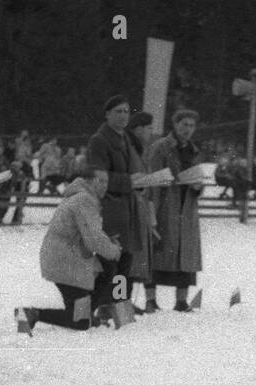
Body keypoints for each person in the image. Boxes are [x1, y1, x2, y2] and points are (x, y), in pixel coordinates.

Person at [26, 167, 122, 331]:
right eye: (101, 181)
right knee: (80, 321)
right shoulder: (84, 200)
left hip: (68, 260)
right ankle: (30, 314)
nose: (105, 186)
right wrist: (114, 250)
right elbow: (94, 239)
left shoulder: (83, 198)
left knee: (106, 270)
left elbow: (91, 233)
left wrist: (108, 244)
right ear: (89, 181)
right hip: (66, 263)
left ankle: (86, 314)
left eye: (107, 181)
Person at [87, 95, 144, 322]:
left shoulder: (126, 139)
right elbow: (98, 177)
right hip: (110, 207)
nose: (123, 116)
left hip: (128, 208)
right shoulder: (99, 140)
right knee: (107, 264)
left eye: (126, 111)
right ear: (107, 114)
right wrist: (130, 181)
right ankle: (90, 309)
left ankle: (116, 306)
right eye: (118, 111)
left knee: (124, 263)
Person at [145, 109, 204, 312]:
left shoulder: (194, 150)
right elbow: (152, 178)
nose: (187, 129)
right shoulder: (160, 147)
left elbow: (198, 176)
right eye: (184, 124)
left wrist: (198, 185)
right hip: (165, 206)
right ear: (175, 124)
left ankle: (181, 300)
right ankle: (150, 299)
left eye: (191, 125)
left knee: (185, 254)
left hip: (186, 208)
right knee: (158, 251)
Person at [125, 111, 157, 312]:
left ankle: (122, 302)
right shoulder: (129, 149)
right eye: (148, 128)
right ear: (138, 129)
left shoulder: (140, 150)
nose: (151, 132)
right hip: (128, 208)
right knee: (124, 261)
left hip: (139, 208)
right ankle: (116, 303)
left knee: (131, 261)